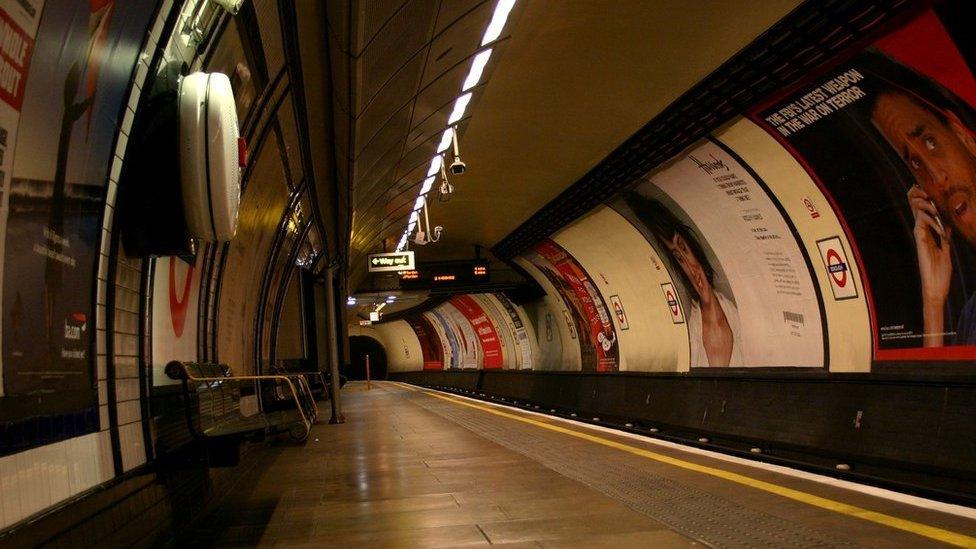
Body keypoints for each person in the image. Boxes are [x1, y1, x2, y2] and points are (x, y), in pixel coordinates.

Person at [865, 50, 976, 346]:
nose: (938, 179)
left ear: (962, 135)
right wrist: (933, 300)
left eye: (931, 142)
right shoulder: (971, 313)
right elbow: (945, 391)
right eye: (915, 164)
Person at [623, 192, 743, 366]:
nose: (689, 265)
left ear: (693, 247)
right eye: (679, 258)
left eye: (683, 248)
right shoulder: (691, 332)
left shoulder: (735, 315)